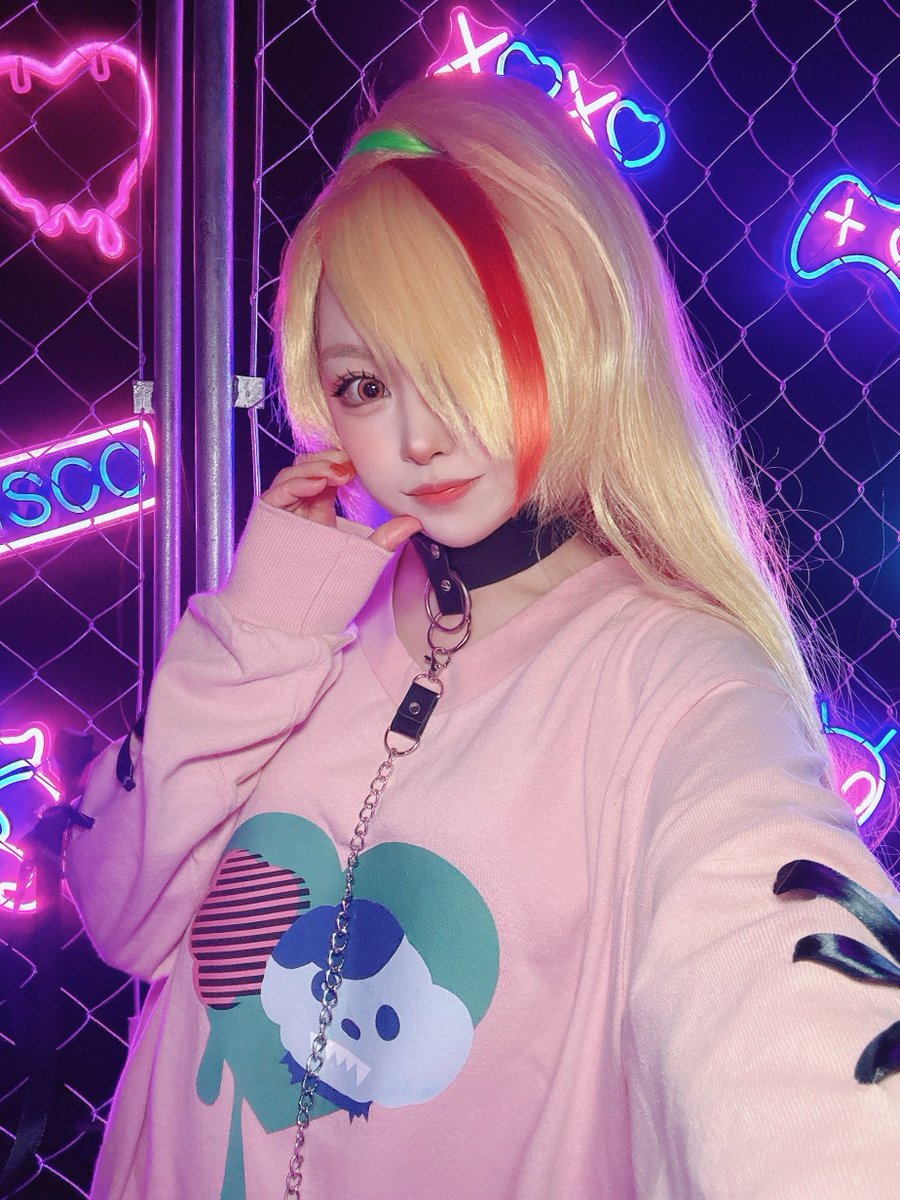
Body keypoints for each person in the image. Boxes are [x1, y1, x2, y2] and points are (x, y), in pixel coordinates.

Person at [67, 72, 899, 1200]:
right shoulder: (303, 615)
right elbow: (121, 913)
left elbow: (773, 984)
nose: (417, 437)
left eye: (467, 362)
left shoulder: (680, 681)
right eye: (365, 383)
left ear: (580, 330)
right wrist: (264, 625)